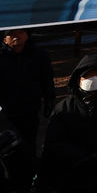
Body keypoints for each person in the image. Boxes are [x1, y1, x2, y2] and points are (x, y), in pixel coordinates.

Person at [39, 53, 97, 193]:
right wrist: (78, 155)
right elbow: (54, 141)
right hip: (75, 173)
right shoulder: (64, 107)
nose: (94, 78)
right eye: (88, 75)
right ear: (78, 79)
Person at [0, 28, 55, 190]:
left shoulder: (39, 55)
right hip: (6, 115)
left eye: (20, 31)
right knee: (8, 149)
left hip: (30, 110)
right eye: (11, 33)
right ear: (4, 37)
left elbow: (47, 79)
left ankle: (30, 179)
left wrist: (49, 99)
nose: (16, 35)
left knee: (29, 145)